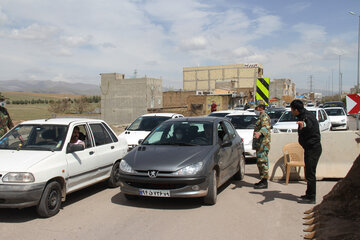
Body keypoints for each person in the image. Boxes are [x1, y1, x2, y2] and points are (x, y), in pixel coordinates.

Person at [290, 99, 322, 204]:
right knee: (308, 172)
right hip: (309, 148)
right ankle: (308, 194)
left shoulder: (307, 117)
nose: (291, 112)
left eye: (292, 110)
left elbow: (308, 124)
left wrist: (304, 124)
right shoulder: (303, 115)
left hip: (313, 149)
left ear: (296, 110)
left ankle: (312, 197)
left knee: (310, 173)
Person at [252, 100, 271, 189]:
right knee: (260, 161)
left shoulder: (264, 117)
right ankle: (262, 180)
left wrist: (259, 133)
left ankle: (264, 181)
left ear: (261, 108)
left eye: (257, 107)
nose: (255, 109)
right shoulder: (260, 116)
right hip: (260, 144)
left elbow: (265, 127)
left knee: (263, 162)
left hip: (263, 144)